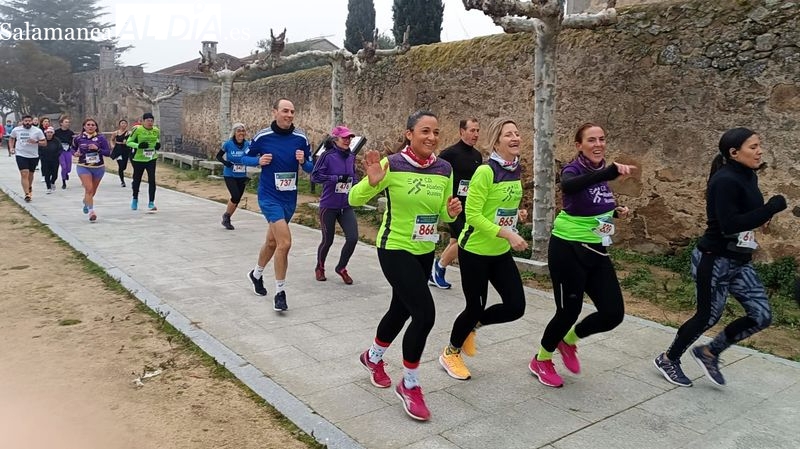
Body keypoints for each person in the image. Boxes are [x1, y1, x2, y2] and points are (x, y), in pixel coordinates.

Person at [349, 110, 461, 422]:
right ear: (409, 133)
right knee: (424, 314)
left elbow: (444, 215)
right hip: (394, 247)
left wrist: (452, 211)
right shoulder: (392, 164)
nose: (432, 137)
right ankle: (409, 384)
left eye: (436, 132)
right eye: (425, 131)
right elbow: (355, 200)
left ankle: (372, 357)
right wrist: (371, 184)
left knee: (401, 309)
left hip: (424, 249)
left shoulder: (444, 168)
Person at [654, 127, 787, 387]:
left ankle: (710, 352)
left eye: (759, 145)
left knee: (761, 315)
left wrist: (762, 216)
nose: (759, 151)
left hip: (739, 260)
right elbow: (728, 224)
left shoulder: (747, 175)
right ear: (734, 152)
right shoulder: (725, 180)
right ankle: (668, 358)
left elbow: (743, 213)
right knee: (707, 316)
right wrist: (771, 207)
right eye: (753, 147)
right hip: (714, 259)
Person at [529, 123, 636, 388]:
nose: (598, 144)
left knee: (613, 313)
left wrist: (614, 212)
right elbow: (569, 187)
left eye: (601, 139)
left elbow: (589, 207)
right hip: (568, 249)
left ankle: (568, 341)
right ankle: (541, 359)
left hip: (596, 248)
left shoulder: (601, 171)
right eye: (591, 140)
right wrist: (608, 173)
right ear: (579, 145)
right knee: (568, 311)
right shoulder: (573, 169)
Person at [439, 117, 529, 380]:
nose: (515, 138)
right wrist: (507, 233)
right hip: (475, 250)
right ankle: (450, 352)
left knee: (516, 306)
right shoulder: (486, 172)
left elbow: (502, 208)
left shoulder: (515, 170)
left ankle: (472, 327)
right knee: (474, 306)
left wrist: (516, 215)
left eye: (517, 133)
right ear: (496, 141)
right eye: (508, 134)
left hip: (499, 250)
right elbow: (474, 215)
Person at [242, 98, 313, 311]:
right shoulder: (263, 136)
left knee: (272, 243)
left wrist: (303, 161)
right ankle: (280, 293)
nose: (289, 115)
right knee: (285, 243)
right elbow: (244, 158)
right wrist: (258, 161)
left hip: (289, 198)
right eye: (285, 111)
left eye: (292, 111)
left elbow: (311, 168)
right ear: (275, 112)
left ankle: (256, 274)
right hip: (269, 197)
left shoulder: (301, 137)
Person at [430, 118, 482, 289]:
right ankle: (439, 266)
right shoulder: (450, 153)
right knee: (464, 239)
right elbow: (435, 171)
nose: (475, 134)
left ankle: (437, 270)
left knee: (455, 241)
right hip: (452, 206)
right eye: (472, 130)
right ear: (462, 131)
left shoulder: (477, 156)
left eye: (477, 131)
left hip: (470, 205)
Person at [310, 125, 359, 284]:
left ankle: (341, 267)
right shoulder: (327, 156)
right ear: (335, 139)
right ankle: (320, 267)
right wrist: (335, 178)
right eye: (344, 137)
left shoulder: (351, 156)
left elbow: (353, 177)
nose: (348, 140)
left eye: (350, 137)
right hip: (329, 205)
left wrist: (357, 184)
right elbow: (315, 177)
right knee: (327, 240)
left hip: (346, 205)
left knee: (352, 238)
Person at [73, 118, 111, 222]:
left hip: (98, 168)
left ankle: (86, 202)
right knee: (89, 189)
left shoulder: (101, 138)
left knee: (92, 191)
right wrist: (75, 153)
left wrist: (97, 149)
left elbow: (108, 152)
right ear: (84, 126)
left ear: (96, 127)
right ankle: (91, 212)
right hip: (84, 166)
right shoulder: (78, 138)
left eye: (93, 125)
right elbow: (73, 148)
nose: (90, 126)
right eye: (88, 125)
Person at [215, 122, 250, 230]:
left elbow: (252, 155)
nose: (241, 133)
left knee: (237, 198)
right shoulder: (228, 144)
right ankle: (227, 217)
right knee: (235, 195)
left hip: (242, 174)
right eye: (239, 131)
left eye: (243, 131)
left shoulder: (248, 144)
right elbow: (218, 156)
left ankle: (227, 217)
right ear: (234, 132)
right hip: (229, 174)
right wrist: (226, 163)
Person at [126, 112, 161, 212]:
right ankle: (135, 198)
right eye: (148, 121)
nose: (150, 123)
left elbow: (156, 140)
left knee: (152, 180)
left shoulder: (156, 130)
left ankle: (151, 202)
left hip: (151, 158)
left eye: (151, 121)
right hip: (138, 159)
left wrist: (157, 145)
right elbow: (129, 142)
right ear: (143, 121)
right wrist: (138, 146)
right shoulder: (137, 129)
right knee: (137, 179)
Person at [8, 115, 45, 202]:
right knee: (24, 173)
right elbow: (11, 138)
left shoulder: (37, 131)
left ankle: (29, 186)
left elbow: (44, 143)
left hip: (33, 155)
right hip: (21, 154)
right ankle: (27, 194)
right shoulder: (16, 130)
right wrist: (11, 148)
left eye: (29, 121)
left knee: (30, 174)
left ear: (32, 121)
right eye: (26, 121)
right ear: (22, 121)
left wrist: (36, 141)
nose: (27, 122)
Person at [54, 116, 76, 189]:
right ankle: (64, 182)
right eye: (66, 122)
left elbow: (73, 143)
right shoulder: (56, 132)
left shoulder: (71, 132)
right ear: (61, 123)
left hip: (68, 150)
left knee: (68, 167)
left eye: (68, 122)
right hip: (60, 151)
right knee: (63, 166)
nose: (68, 124)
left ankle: (66, 173)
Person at [39, 127, 62, 193]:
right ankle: (48, 187)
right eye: (48, 132)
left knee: (55, 174)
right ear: (45, 133)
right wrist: (41, 156)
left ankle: (52, 182)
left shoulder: (56, 140)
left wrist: (58, 155)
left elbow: (60, 149)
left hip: (54, 159)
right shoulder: (43, 140)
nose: (49, 134)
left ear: (53, 133)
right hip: (45, 160)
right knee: (47, 174)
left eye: (51, 132)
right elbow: (39, 149)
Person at [110, 119, 131, 187]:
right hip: (118, 149)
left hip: (125, 149)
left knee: (124, 166)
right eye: (122, 123)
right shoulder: (116, 133)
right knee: (121, 165)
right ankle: (122, 181)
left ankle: (122, 171)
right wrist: (112, 146)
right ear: (119, 124)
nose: (123, 124)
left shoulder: (129, 133)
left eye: (125, 123)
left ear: (127, 125)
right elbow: (112, 140)